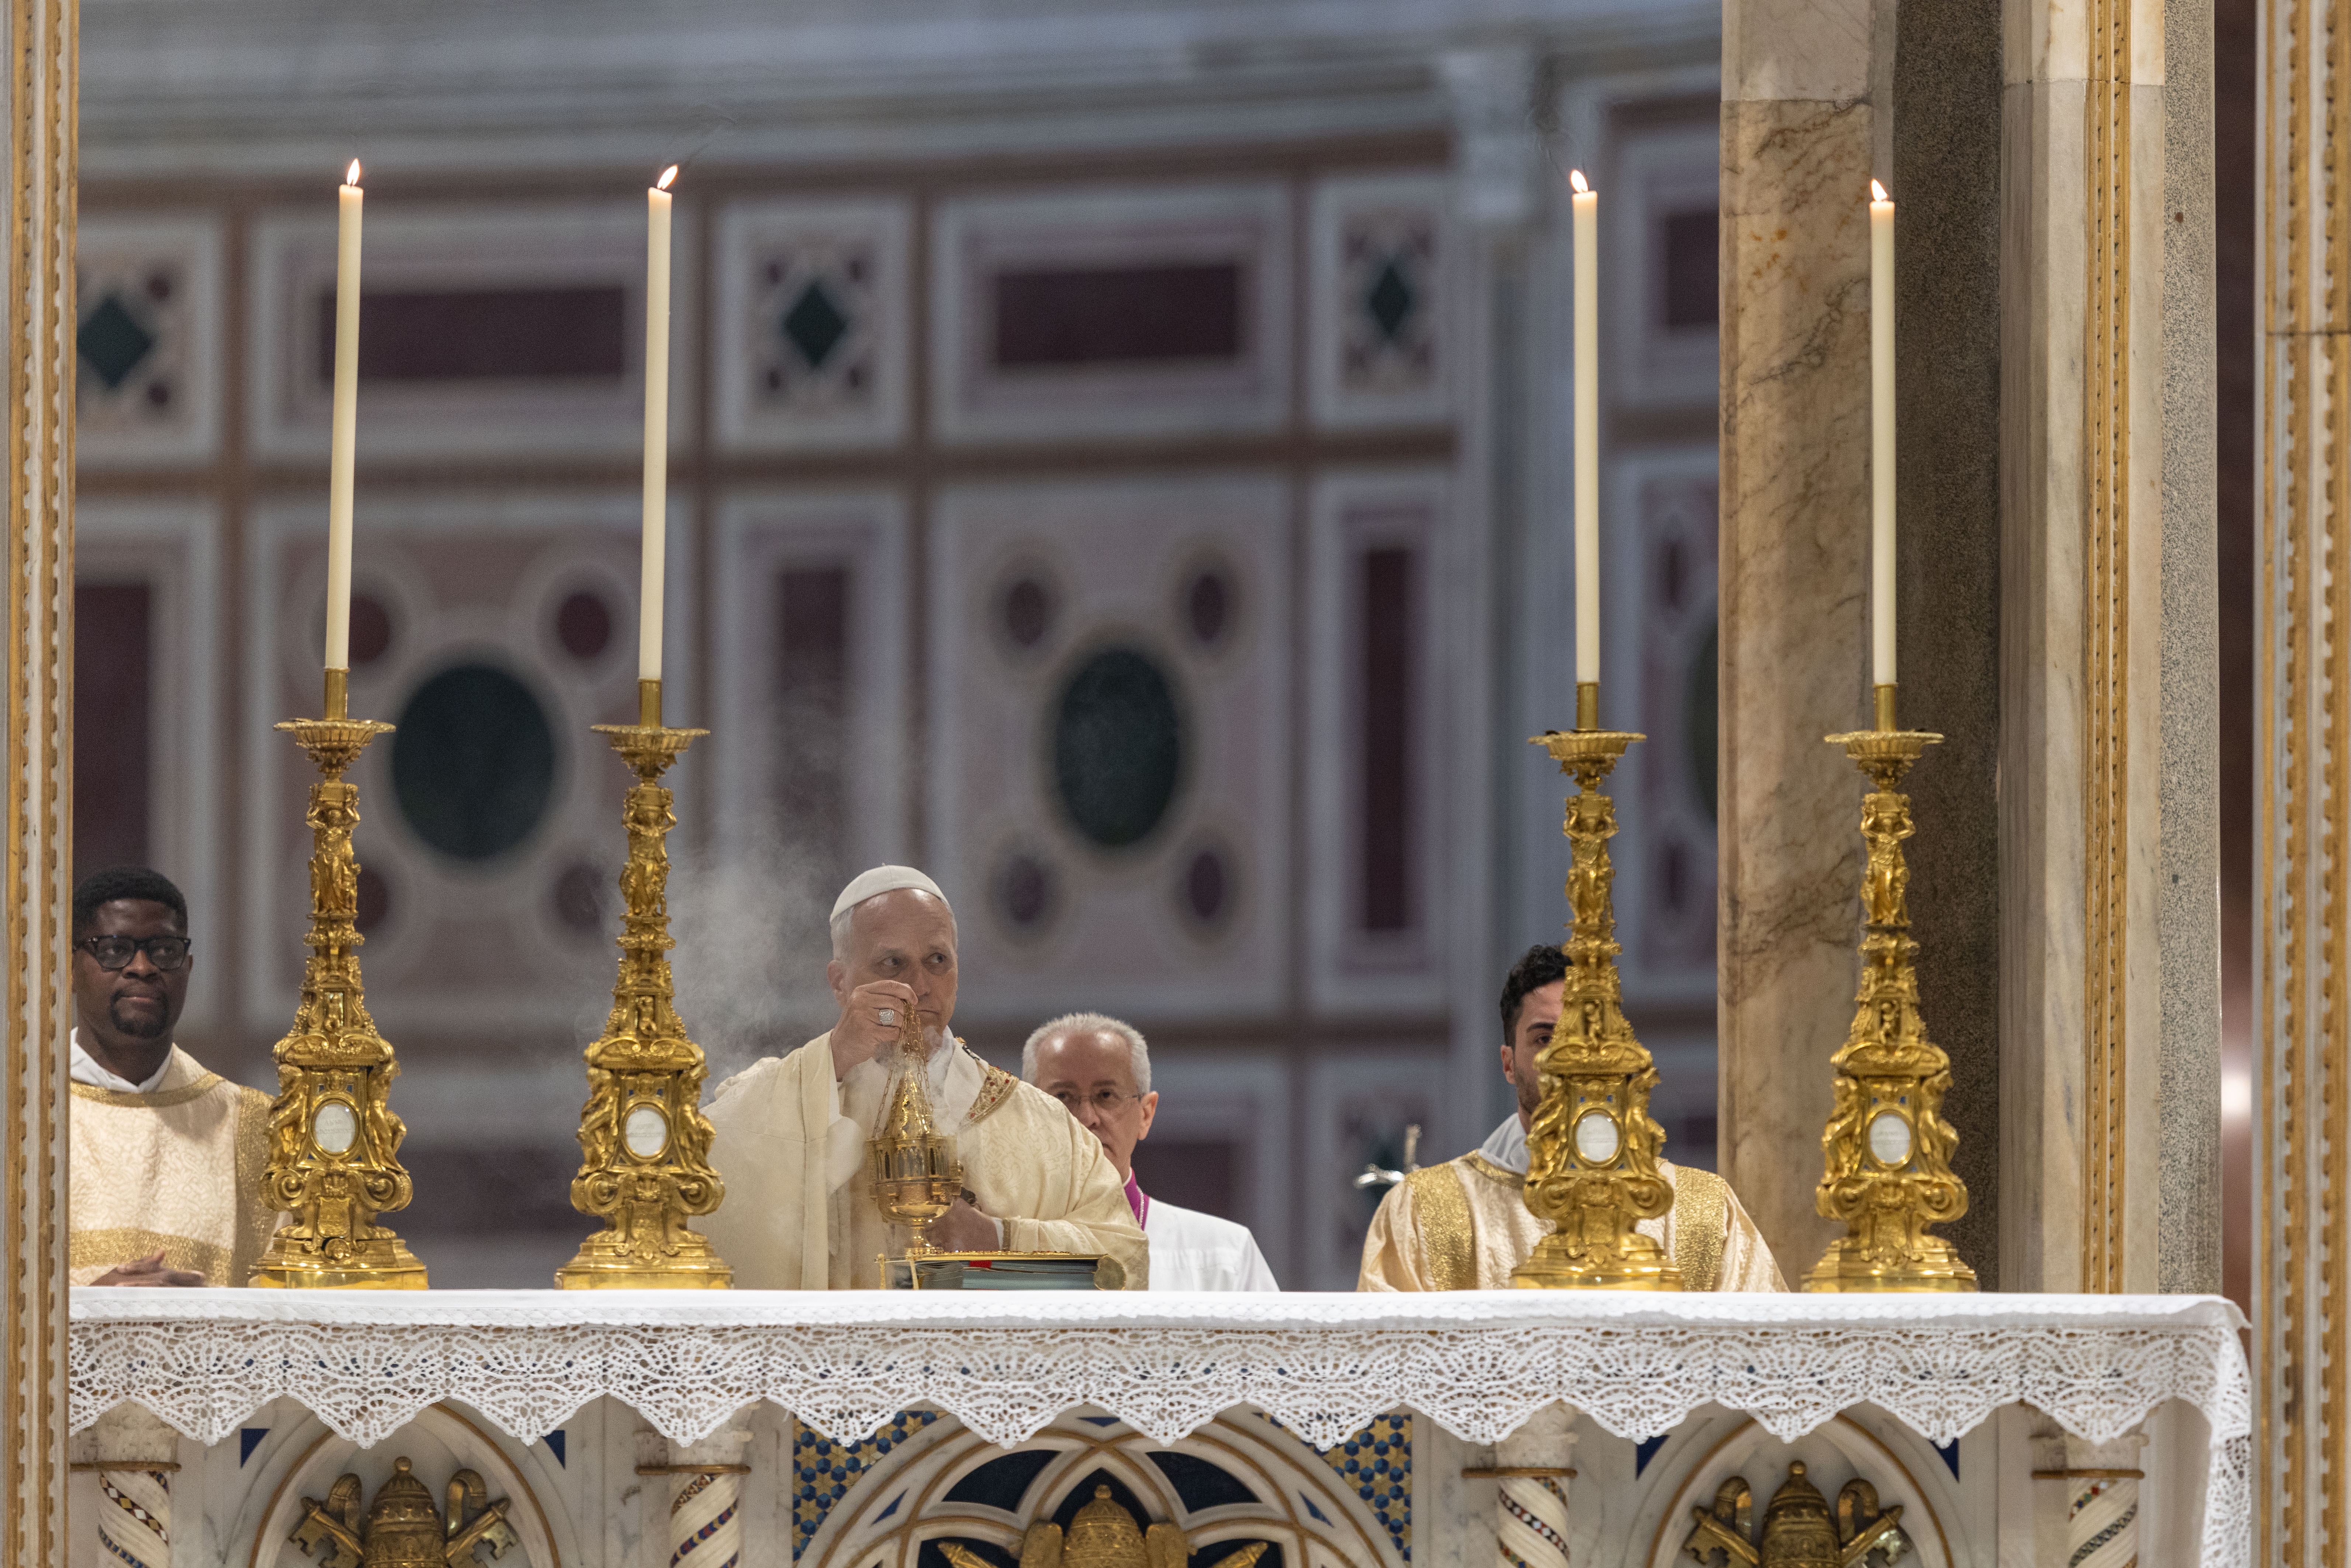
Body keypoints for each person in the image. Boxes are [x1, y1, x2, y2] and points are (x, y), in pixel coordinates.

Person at [701, 866, 1147, 1288]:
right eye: (892, 964)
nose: (919, 986)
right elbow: (709, 1165)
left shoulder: (1044, 1128)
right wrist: (833, 1059)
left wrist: (995, 1240)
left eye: (937, 960)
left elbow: (1124, 1266)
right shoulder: (792, 1094)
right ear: (839, 983)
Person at [1358, 944, 1785, 1292]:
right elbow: (1385, 1378)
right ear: (1508, 1064)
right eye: (1545, 1040)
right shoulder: (1424, 1213)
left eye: (1585, 1039)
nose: (1571, 1062)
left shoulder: (1703, 1212)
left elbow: (1767, 1368)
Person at [68, 866, 276, 1287]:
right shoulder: (20, 1114)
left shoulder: (253, 1124)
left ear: (188, 967)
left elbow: (288, 1304)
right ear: (69, 966)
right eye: (114, 949)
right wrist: (94, 1307)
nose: (142, 967)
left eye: (164, 950)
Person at [1024, 1012, 1278, 1292]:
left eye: (1106, 1095)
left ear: (1145, 1115)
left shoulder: (1224, 1256)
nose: (1087, 1118)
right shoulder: (989, 1254)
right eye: (1062, 1097)